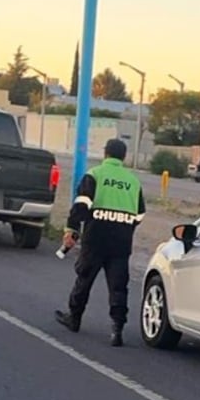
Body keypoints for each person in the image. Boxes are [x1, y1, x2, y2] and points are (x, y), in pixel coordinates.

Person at [55, 138, 145, 347]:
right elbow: (140, 214)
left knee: (84, 278)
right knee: (118, 286)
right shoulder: (133, 181)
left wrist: (72, 229)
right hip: (121, 241)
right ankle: (117, 329)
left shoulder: (94, 175)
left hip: (96, 237)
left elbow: (81, 206)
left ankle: (74, 318)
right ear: (124, 157)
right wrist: (125, 226)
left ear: (105, 154)